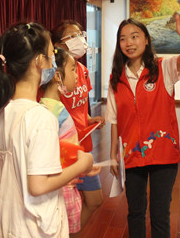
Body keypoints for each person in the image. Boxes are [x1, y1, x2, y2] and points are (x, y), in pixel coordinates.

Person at [0, 22, 94, 238]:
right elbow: (38, 186)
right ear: (40, 61)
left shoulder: (3, 111)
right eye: (51, 55)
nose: (53, 62)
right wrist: (81, 165)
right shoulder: (42, 117)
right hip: (36, 228)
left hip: (8, 222)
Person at [106, 0, 180, 238]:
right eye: (123, 38)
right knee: (135, 213)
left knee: (159, 214)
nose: (129, 43)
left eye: (134, 36)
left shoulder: (163, 68)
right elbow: (113, 119)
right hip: (132, 154)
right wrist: (113, 155)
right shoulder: (116, 79)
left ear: (146, 39)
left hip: (163, 153)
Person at [39, 48, 100, 235]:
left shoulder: (56, 107)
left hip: (67, 182)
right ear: (57, 76)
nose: (77, 75)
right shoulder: (50, 111)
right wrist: (80, 166)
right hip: (62, 187)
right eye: (73, 69)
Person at [52, 21, 104, 227]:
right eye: (72, 36)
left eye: (80, 34)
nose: (80, 39)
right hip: (65, 151)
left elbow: (81, 106)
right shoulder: (53, 78)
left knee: (95, 200)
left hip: (84, 147)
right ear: (58, 45)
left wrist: (90, 120)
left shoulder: (82, 70)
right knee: (66, 207)